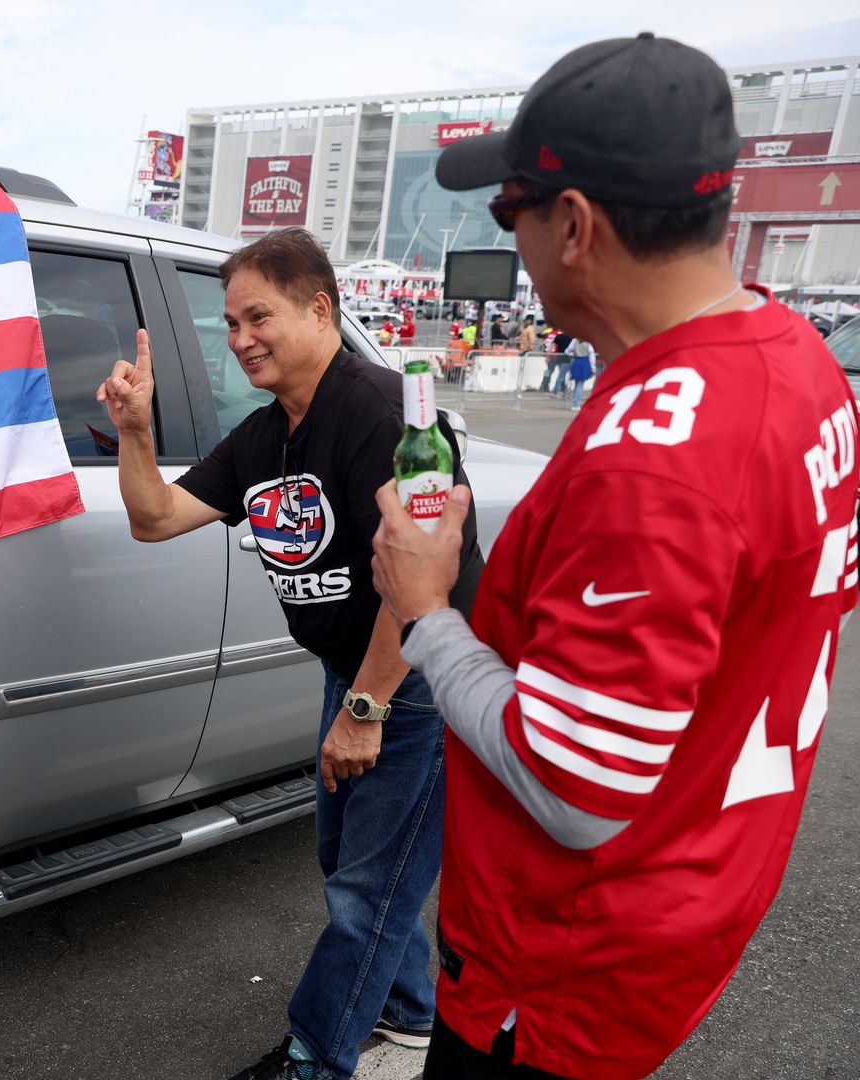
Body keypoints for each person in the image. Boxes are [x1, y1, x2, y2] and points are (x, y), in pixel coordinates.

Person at [367, 34, 857, 1080]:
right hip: (688, 896)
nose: (516, 244)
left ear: (576, 225)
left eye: (513, 216)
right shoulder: (802, 361)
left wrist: (426, 610)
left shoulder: (656, 461)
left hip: (560, 966)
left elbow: (576, 786)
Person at [98, 228, 481, 1080]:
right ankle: (409, 1017)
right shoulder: (266, 436)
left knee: (364, 893)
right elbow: (155, 516)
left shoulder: (383, 414)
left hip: (410, 685)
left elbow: (422, 582)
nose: (239, 341)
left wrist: (368, 708)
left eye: (257, 317)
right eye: (230, 323)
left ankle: (317, 1057)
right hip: (351, 678)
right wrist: (133, 430)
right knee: (350, 869)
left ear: (320, 308)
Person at [565, 337, 595, 409]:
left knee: (577, 383)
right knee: (580, 385)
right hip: (585, 362)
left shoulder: (574, 340)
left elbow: (567, 351)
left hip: (576, 361)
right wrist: (593, 368)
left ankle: (575, 403)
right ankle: (576, 404)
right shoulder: (588, 342)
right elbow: (592, 355)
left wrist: (572, 354)